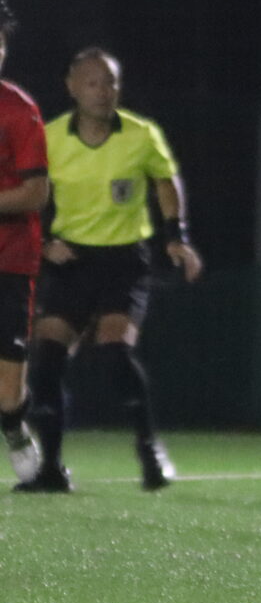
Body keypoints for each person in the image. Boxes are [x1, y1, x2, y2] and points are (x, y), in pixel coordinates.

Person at [22, 47, 202, 492]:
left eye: (111, 83)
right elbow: (30, 194)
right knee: (47, 359)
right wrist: (44, 243)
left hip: (123, 262)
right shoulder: (49, 138)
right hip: (71, 262)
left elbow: (165, 181)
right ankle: (51, 469)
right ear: (72, 87)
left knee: (114, 350)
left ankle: (149, 450)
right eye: (93, 83)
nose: (103, 91)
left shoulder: (141, 134)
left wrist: (175, 236)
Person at [0, 0, 49, 484]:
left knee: (7, 389)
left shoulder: (17, 109)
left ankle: (13, 423)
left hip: (9, 260)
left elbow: (36, 192)